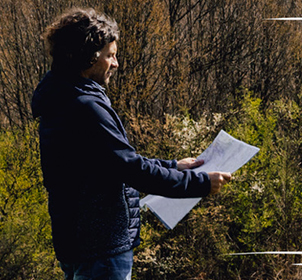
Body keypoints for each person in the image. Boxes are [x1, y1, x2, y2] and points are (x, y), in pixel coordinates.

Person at [29, 8, 233, 280]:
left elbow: (110, 162)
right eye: (110, 55)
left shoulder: (61, 97)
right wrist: (201, 183)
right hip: (101, 251)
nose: (116, 63)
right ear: (88, 56)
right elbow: (130, 169)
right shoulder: (86, 107)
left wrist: (173, 165)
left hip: (80, 246)